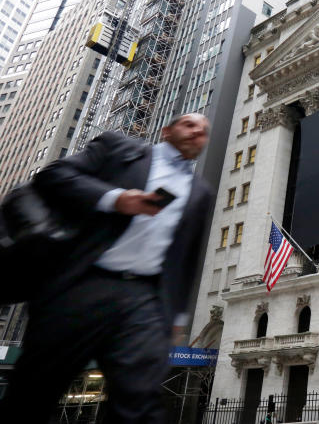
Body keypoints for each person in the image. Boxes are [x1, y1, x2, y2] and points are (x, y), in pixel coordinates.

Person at [0, 114, 215, 423]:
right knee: (35, 390)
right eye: (190, 125)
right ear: (166, 131)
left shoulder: (200, 192)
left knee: (140, 400)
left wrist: (176, 317)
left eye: (204, 132)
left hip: (143, 300)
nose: (198, 132)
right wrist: (115, 199)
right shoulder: (119, 149)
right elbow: (54, 175)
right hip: (85, 282)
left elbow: (186, 258)